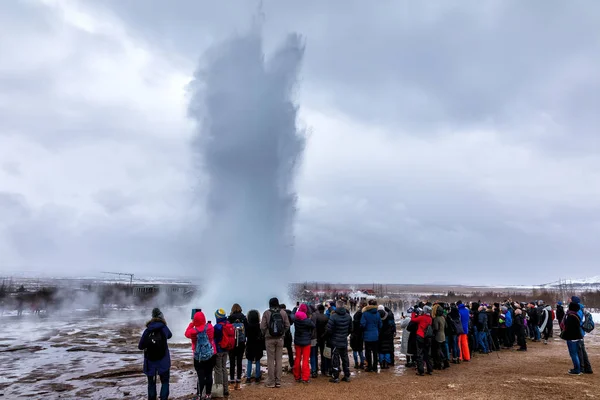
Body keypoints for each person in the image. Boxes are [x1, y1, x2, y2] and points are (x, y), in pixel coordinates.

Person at [139, 308, 172, 400]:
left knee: (151, 383)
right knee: (165, 382)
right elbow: (170, 335)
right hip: (163, 361)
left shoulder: (148, 329)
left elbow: (140, 346)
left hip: (150, 362)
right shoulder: (164, 328)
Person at [185, 310, 217, 400]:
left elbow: (186, 333)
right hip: (210, 355)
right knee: (209, 374)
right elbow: (211, 337)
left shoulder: (193, 331)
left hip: (198, 357)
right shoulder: (210, 327)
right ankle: (208, 394)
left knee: (200, 376)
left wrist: (192, 324)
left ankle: (199, 395)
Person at [260, 297, 291, 388]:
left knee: (270, 360)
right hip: (280, 339)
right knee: (279, 360)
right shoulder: (283, 312)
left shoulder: (266, 313)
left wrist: (266, 333)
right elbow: (287, 325)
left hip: (269, 339)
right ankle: (278, 381)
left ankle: (271, 381)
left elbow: (262, 327)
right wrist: (282, 333)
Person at [327, 300, 352, 383]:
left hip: (335, 341)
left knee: (335, 359)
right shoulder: (348, 316)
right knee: (345, 358)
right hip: (344, 340)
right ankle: (347, 375)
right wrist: (344, 334)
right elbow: (351, 329)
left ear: (337, 306)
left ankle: (336, 377)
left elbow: (329, 330)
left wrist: (332, 336)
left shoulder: (333, 316)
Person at [213, 308, 234, 397]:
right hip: (226, 350)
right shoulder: (228, 324)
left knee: (218, 369)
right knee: (224, 368)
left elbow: (214, 337)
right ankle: (226, 389)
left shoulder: (217, 327)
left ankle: (219, 390)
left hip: (218, 350)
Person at [293, 304, 315, 383]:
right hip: (306, 342)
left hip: (297, 341)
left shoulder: (295, 318)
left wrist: (295, 308)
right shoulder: (307, 321)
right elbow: (313, 326)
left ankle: (297, 376)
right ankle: (305, 378)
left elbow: (292, 315)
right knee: (305, 360)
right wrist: (309, 334)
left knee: (297, 358)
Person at [228, 304, 248, 390]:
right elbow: (247, 329)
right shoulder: (243, 317)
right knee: (239, 362)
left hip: (232, 343)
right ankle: (238, 383)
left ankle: (232, 382)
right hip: (241, 342)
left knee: (232, 362)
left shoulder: (230, 318)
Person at [571, 296, 593, 374]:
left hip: (578, 333)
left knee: (579, 351)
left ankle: (582, 368)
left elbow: (578, 321)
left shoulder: (577, 310)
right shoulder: (581, 309)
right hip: (581, 332)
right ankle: (588, 368)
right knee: (582, 351)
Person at [561, 302, 584, 375]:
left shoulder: (571, 316)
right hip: (576, 337)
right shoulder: (576, 315)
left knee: (573, 354)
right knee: (575, 354)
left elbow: (569, 328)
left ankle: (577, 370)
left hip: (572, 338)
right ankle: (578, 368)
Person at [360, 299, 382, 372]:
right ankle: (375, 367)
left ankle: (369, 367)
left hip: (367, 336)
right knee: (375, 352)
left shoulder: (365, 314)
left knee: (368, 352)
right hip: (375, 335)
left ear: (368, 305)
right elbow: (380, 325)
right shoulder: (377, 314)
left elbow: (362, 324)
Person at [244, 309, 264, 384]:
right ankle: (257, 377)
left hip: (250, 344)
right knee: (257, 360)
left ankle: (248, 377)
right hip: (258, 344)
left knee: (249, 360)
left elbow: (245, 335)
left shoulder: (248, 326)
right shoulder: (259, 326)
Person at [412, 306, 433, 376]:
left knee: (420, 354)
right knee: (428, 354)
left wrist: (413, 313)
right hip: (428, 338)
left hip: (420, 336)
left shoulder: (421, 318)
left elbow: (413, 320)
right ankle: (429, 370)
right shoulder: (430, 319)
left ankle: (421, 371)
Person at [314, 304, 330, 376]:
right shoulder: (326, 317)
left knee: (315, 354)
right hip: (323, 338)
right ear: (323, 310)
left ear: (318, 309)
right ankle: (324, 370)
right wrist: (324, 336)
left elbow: (313, 328)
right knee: (324, 354)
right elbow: (327, 329)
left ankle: (316, 370)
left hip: (316, 337)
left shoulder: (315, 317)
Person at [377, 305, 396, 369]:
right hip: (388, 335)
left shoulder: (377, 316)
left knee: (380, 349)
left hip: (380, 335)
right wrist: (393, 331)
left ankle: (381, 363)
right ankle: (387, 363)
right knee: (387, 349)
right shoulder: (389, 316)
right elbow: (392, 324)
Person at [350, 301, 366, 369]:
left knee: (354, 350)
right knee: (360, 350)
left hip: (354, 336)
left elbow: (351, 329)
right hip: (360, 335)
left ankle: (356, 363)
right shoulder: (362, 322)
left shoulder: (353, 322)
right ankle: (362, 363)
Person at [280, 304, 295, 370]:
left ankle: (278, 365)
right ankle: (291, 364)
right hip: (288, 335)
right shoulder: (289, 313)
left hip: (280, 335)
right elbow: (292, 322)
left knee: (278, 350)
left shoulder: (278, 314)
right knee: (289, 350)